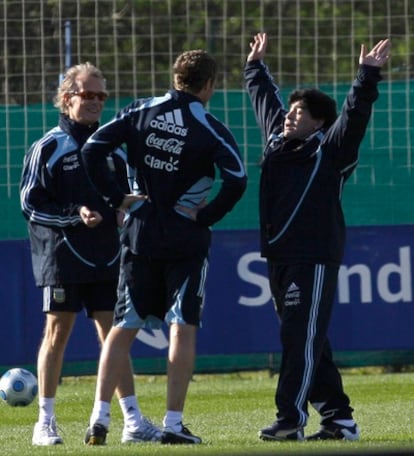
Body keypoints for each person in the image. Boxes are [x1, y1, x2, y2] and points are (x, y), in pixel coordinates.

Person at [79, 49, 247, 446]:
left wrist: (117, 197)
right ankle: (173, 424)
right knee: (182, 327)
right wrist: (207, 216)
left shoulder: (140, 111)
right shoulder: (210, 126)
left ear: (175, 78)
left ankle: (100, 419)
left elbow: (91, 150)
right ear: (208, 85)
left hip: (139, 232)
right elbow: (237, 179)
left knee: (123, 327)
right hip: (185, 240)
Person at [245, 33, 391, 441]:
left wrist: (367, 75)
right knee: (308, 339)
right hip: (279, 257)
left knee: (299, 338)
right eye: (291, 109)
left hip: (314, 257)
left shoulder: (331, 151)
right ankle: (339, 419)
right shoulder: (278, 142)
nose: (291, 115)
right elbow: (264, 101)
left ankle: (289, 419)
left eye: (301, 112)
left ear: (320, 124)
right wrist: (254, 67)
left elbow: (355, 113)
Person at [20, 63, 160, 446]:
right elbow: (30, 204)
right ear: (67, 100)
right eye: (88, 94)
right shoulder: (48, 146)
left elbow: (126, 194)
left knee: (114, 334)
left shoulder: (111, 147)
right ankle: (44, 422)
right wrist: (74, 216)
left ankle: (132, 420)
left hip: (107, 255)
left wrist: (124, 208)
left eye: (102, 95)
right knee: (57, 331)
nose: (97, 101)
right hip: (61, 255)